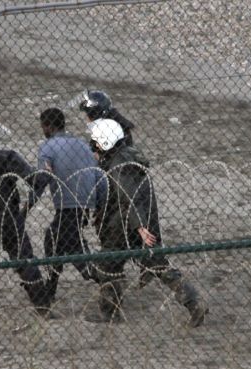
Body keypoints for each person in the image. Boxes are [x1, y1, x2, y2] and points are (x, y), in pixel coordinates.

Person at [87, 118, 206, 326]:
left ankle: (110, 313)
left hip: (123, 225)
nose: (92, 145)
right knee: (156, 263)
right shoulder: (127, 156)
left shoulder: (119, 165)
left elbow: (128, 194)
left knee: (108, 264)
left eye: (95, 141)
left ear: (104, 143)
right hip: (134, 222)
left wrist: (140, 226)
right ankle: (193, 302)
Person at [0, 117, 53, 315]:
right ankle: (43, 307)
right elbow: (34, 180)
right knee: (25, 261)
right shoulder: (7, 157)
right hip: (8, 218)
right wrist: (46, 173)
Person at [29, 108, 104, 299]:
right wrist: (100, 203)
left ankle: (99, 277)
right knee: (66, 239)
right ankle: (53, 285)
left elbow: (42, 178)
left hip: (68, 203)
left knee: (56, 238)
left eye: (43, 127)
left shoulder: (47, 147)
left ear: (48, 126)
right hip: (87, 201)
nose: (43, 130)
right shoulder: (82, 144)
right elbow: (99, 175)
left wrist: (26, 207)